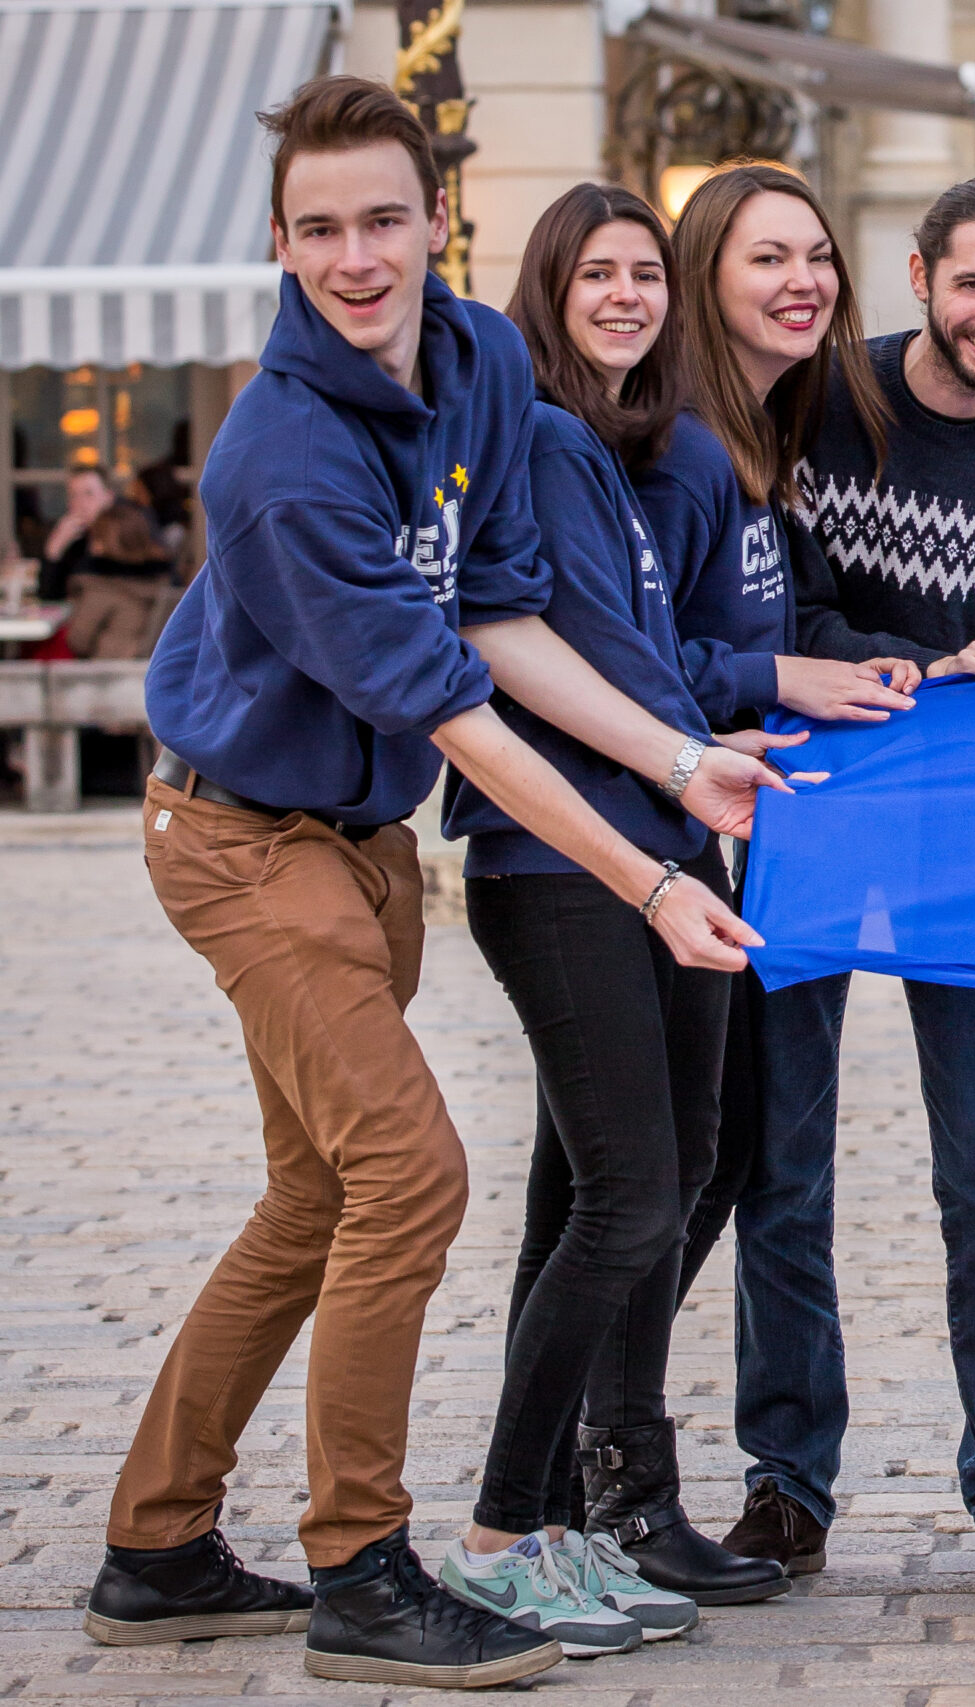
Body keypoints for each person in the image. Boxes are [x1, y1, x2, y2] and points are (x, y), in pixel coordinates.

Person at [91, 75, 779, 1690]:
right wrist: (648, 880)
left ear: (434, 223)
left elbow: (499, 622)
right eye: (319, 229)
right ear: (278, 241)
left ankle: (157, 1537)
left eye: (382, 220)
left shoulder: (472, 364)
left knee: (314, 1193)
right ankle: (365, 1566)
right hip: (242, 842)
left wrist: (684, 770)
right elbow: (456, 711)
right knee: (411, 1173)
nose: (355, 257)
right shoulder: (279, 457)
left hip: (366, 850)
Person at [685, 171, 975, 1593]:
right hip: (816, 799)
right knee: (782, 1158)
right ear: (923, 276)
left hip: (973, 833)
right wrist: (916, 666)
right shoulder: (826, 400)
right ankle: (785, 1481)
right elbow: (778, 606)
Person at [431, 183, 811, 1659]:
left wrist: (715, 756)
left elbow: (663, 651)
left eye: (644, 274)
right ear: (549, 288)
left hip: (663, 850)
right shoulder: (532, 435)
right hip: (565, 862)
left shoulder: (616, 448)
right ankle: (497, 1532)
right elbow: (555, 653)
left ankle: (571, 1525)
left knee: (618, 1189)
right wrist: (695, 758)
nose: (626, 296)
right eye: (596, 274)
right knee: (633, 1201)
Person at [60, 499, 177, 659]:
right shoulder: (164, 582)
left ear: (100, 544)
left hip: (105, 674)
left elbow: (78, 641)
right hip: (144, 671)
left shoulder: (101, 586)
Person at [37, 466, 114, 601]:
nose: (80, 503)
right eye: (73, 495)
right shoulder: (75, 539)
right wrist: (54, 548)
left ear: (108, 497)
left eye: (89, 494)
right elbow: (48, 596)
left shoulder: (123, 535)